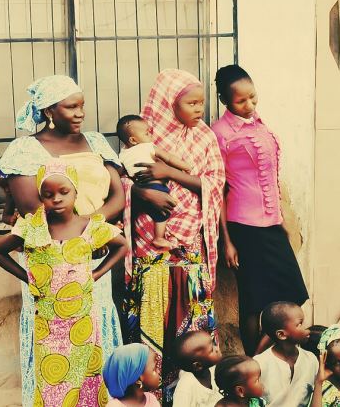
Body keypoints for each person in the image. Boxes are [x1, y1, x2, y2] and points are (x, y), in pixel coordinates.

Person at [0, 74, 126, 407]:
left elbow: (118, 196)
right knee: (55, 339)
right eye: (70, 107)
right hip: (51, 259)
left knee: (94, 325)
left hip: (94, 250)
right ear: (49, 111)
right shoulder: (25, 150)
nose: (80, 113)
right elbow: (33, 208)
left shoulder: (95, 142)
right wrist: (84, 234)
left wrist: (92, 232)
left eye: (82, 105)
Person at [121, 69, 225, 405]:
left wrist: (169, 172)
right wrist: (141, 192)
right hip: (149, 248)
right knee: (153, 318)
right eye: (190, 103)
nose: (199, 109)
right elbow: (122, 184)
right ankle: (152, 396)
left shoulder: (205, 137)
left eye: (201, 102)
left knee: (192, 325)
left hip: (189, 248)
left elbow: (215, 183)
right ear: (168, 103)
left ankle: (193, 396)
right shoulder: (142, 136)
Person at [211, 64, 309, 356]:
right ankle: (254, 361)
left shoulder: (259, 124)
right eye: (241, 101)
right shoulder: (220, 133)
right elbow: (218, 189)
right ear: (224, 100)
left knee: (294, 292)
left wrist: (282, 217)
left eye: (252, 97)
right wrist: (227, 241)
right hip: (244, 227)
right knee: (253, 300)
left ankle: (270, 354)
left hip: (272, 224)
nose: (250, 105)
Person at [116, 114, 191, 250]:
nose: (151, 136)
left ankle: (121, 226)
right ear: (133, 140)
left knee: (135, 213)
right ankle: (159, 238)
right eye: (147, 133)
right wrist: (185, 166)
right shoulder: (148, 146)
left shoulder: (122, 155)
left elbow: (120, 173)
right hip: (156, 187)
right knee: (163, 212)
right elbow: (168, 158)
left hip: (139, 189)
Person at [253, 301, 318, 406]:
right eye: (299, 324)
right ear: (282, 334)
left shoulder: (311, 359)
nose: (306, 329)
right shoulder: (260, 363)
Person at [171, 330, 224, 406]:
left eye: (214, 343)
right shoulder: (185, 386)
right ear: (198, 366)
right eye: (212, 350)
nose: (217, 348)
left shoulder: (214, 369)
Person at [0, 158, 19, 226]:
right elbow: (5, 217)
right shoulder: (11, 195)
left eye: (7, 185)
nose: (6, 190)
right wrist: (11, 219)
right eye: (2, 187)